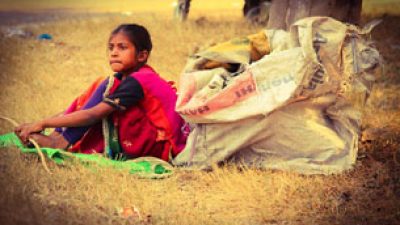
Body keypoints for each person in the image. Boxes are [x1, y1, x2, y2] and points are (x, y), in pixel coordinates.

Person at [15, 24, 187, 161]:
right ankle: (58, 137)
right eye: (111, 47)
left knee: (104, 96)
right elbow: (84, 110)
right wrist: (40, 124)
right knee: (104, 86)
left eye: (122, 47)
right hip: (152, 139)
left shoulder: (139, 81)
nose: (114, 52)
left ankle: (60, 142)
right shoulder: (124, 78)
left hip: (164, 146)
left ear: (141, 56)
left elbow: (92, 115)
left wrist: (44, 123)